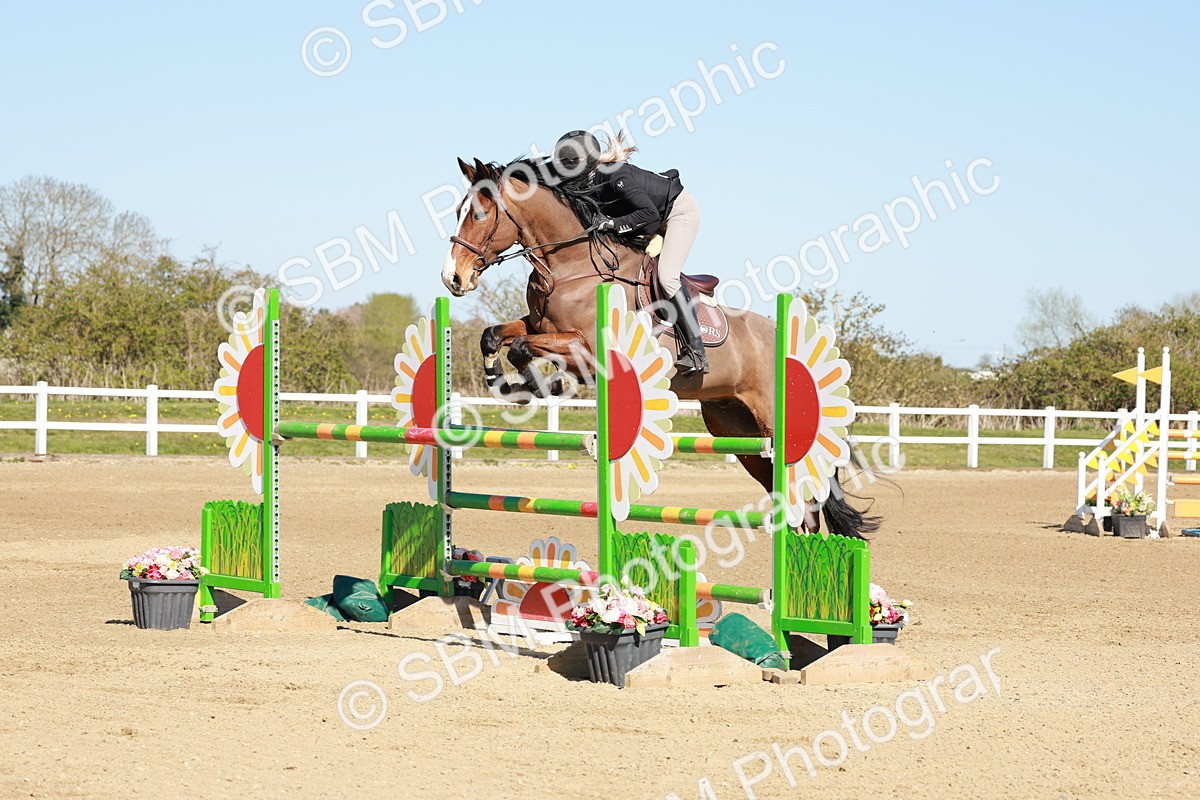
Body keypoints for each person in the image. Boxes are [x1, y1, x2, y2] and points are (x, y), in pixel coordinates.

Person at [552, 130, 708, 376]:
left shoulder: (615, 175)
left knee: (667, 276)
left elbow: (649, 215)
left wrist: (611, 225)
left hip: (676, 213)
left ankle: (697, 351)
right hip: (646, 218)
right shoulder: (586, 180)